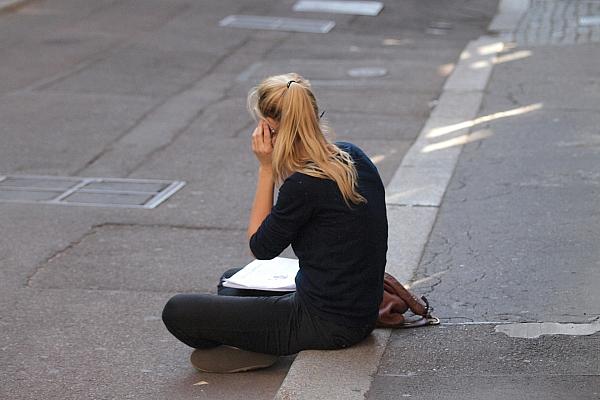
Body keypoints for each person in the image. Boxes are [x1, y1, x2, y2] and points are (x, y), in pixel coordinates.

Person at [161, 73, 388, 373]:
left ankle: (255, 345)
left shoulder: (305, 184)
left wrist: (266, 169)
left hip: (327, 324)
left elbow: (260, 246)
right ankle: (254, 341)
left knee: (178, 311)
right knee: (232, 282)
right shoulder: (352, 155)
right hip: (360, 313)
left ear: (269, 129)